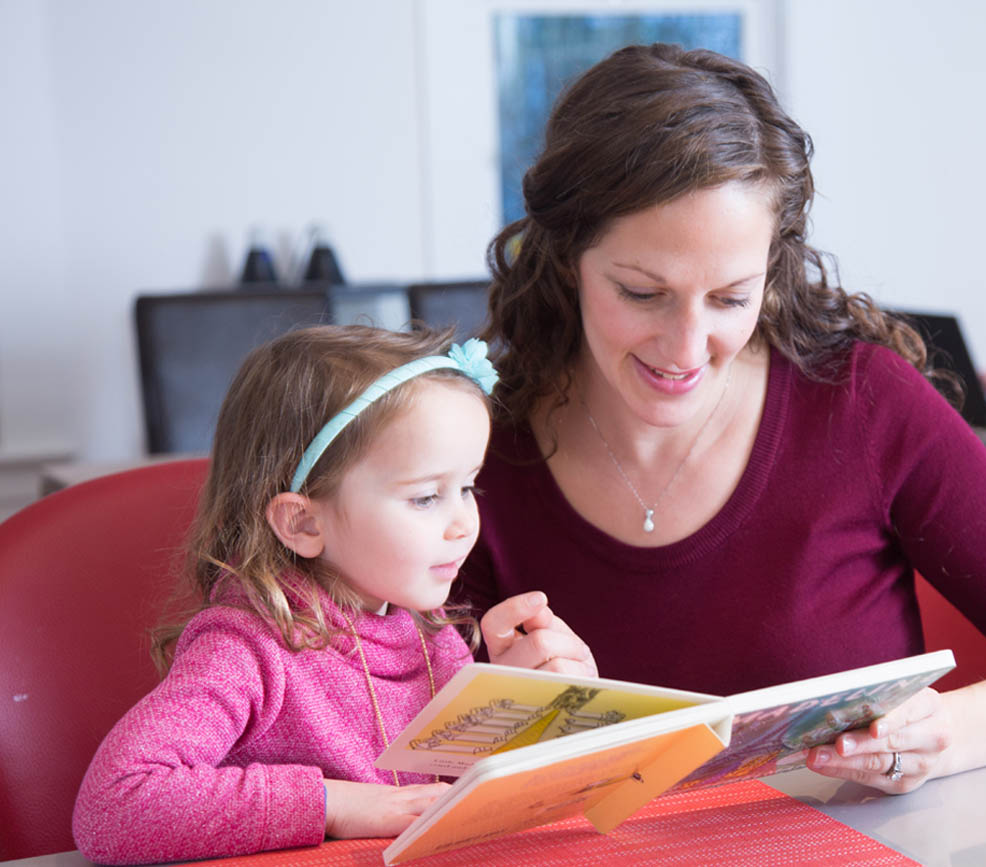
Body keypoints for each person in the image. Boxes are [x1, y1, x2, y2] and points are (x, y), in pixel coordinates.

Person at [457, 44, 986, 798]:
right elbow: (377, 728)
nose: (686, 349)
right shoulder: (476, 448)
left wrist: (937, 737)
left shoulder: (859, 404)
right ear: (568, 260)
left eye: (729, 297)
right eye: (641, 292)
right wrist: (487, 700)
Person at [72, 326, 596, 864]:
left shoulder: (432, 634)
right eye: (424, 497)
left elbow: (449, 809)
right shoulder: (248, 650)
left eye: (468, 487)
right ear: (302, 523)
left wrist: (525, 715)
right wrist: (335, 804)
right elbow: (113, 806)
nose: (465, 523)